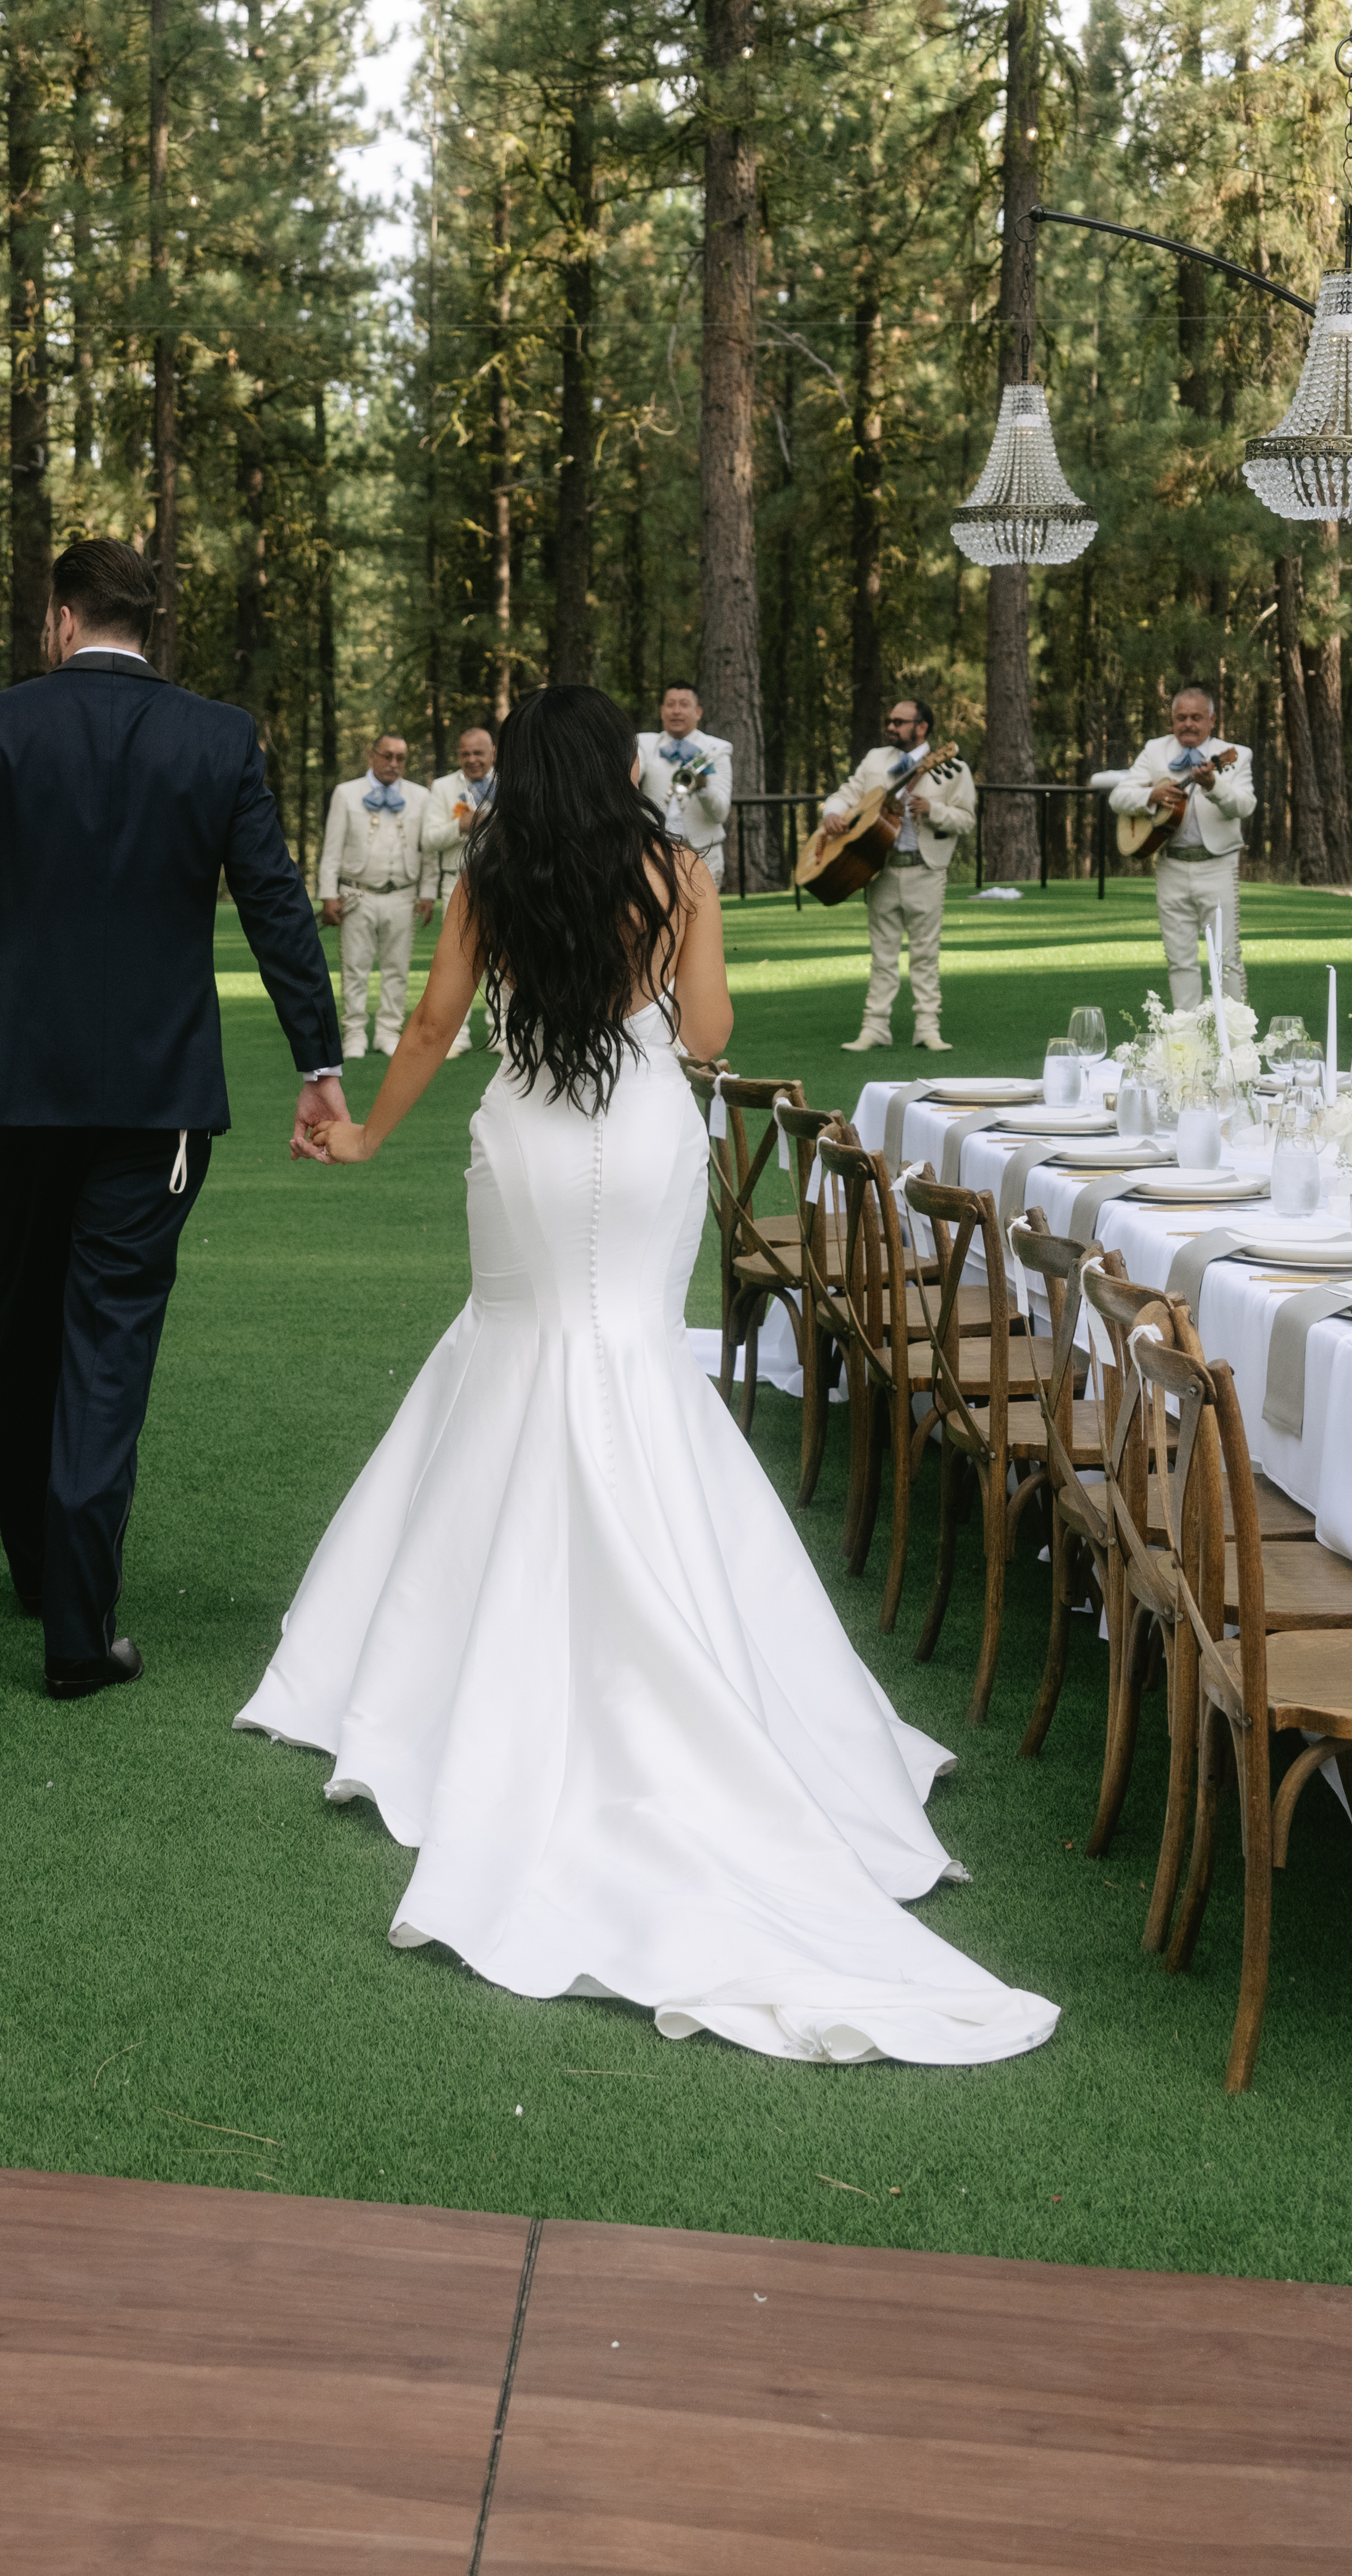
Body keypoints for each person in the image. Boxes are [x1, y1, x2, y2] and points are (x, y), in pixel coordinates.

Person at [253, 684, 1058, 2065]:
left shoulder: (491, 875)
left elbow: (436, 1030)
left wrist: (369, 1139)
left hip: (523, 1145)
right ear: (620, 766)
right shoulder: (675, 868)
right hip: (633, 1143)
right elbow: (701, 1040)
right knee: (624, 1358)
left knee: (513, 1353)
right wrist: (671, 959)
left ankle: (448, 1666)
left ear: (521, 770)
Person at [0, 534, 346, 1702]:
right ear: (149, 623)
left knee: (30, 1323)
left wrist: (9, 903)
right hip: (156, 1095)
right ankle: (77, 1633)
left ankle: (41, 1573)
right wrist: (318, 1062)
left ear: (62, 616)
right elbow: (280, 910)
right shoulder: (219, 736)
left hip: (29, 1087)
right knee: (109, 1344)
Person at [824, 693, 980, 1051]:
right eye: (890, 721)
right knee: (882, 955)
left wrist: (934, 810)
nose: (891, 727)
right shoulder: (877, 760)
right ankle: (875, 1028)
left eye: (900, 722)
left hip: (926, 870)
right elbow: (847, 793)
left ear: (922, 728)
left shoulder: (954, 770)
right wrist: (832, 813)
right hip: (881, 869)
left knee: (926, 955)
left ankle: (927, 1028)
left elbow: (967, 819)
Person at [1092, 683, 1256, 1010]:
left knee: (1225, 958)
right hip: (1171, 865)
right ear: (1172, 722)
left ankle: (1235, 1039)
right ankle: (1185, 1037)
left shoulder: (1236, 754)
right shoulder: (1156, 751)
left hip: (1218, 866)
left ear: (1212, 720)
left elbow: (1245, 806)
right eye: (1181, 718)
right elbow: (1117, 797)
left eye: (1196, 717)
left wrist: (1215, 787)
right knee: (1179, 958)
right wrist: (1149, 797)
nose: (1188, 724)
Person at [314, 732, 443, 1062]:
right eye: (387, 756)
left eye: (400, 758)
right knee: (355, 967)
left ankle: (389, 1032)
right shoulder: (346, 793)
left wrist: (428, 892)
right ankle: (354, 1033)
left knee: (397, 968)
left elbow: (427, 851)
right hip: (357, 893)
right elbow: (331, 849)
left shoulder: (420, 796)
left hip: (402, 894)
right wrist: (329, 895)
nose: (393, 764)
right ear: (372, 757)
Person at [439, 727, 503, 1046]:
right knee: (457, 960)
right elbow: (427, 840)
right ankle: (456, 1037)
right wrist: (460, 826)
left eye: (479, 753)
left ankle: (502, 1034)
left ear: (493, 752)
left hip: (503, 880)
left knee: (503, 962)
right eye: (465, 754)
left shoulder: (511, 783)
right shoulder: (442, 787)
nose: (472, 760)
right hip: (455, 880)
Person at [632, 684, 734, 882]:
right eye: (670, 705)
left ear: (698, 712)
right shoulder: (645, 744)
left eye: (684, 705)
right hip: (654, 853)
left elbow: (720, 813)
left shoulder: (717, 749)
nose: (676, 711)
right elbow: (631, 778)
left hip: (704, 854)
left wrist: (703, 786)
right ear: (662, 711)